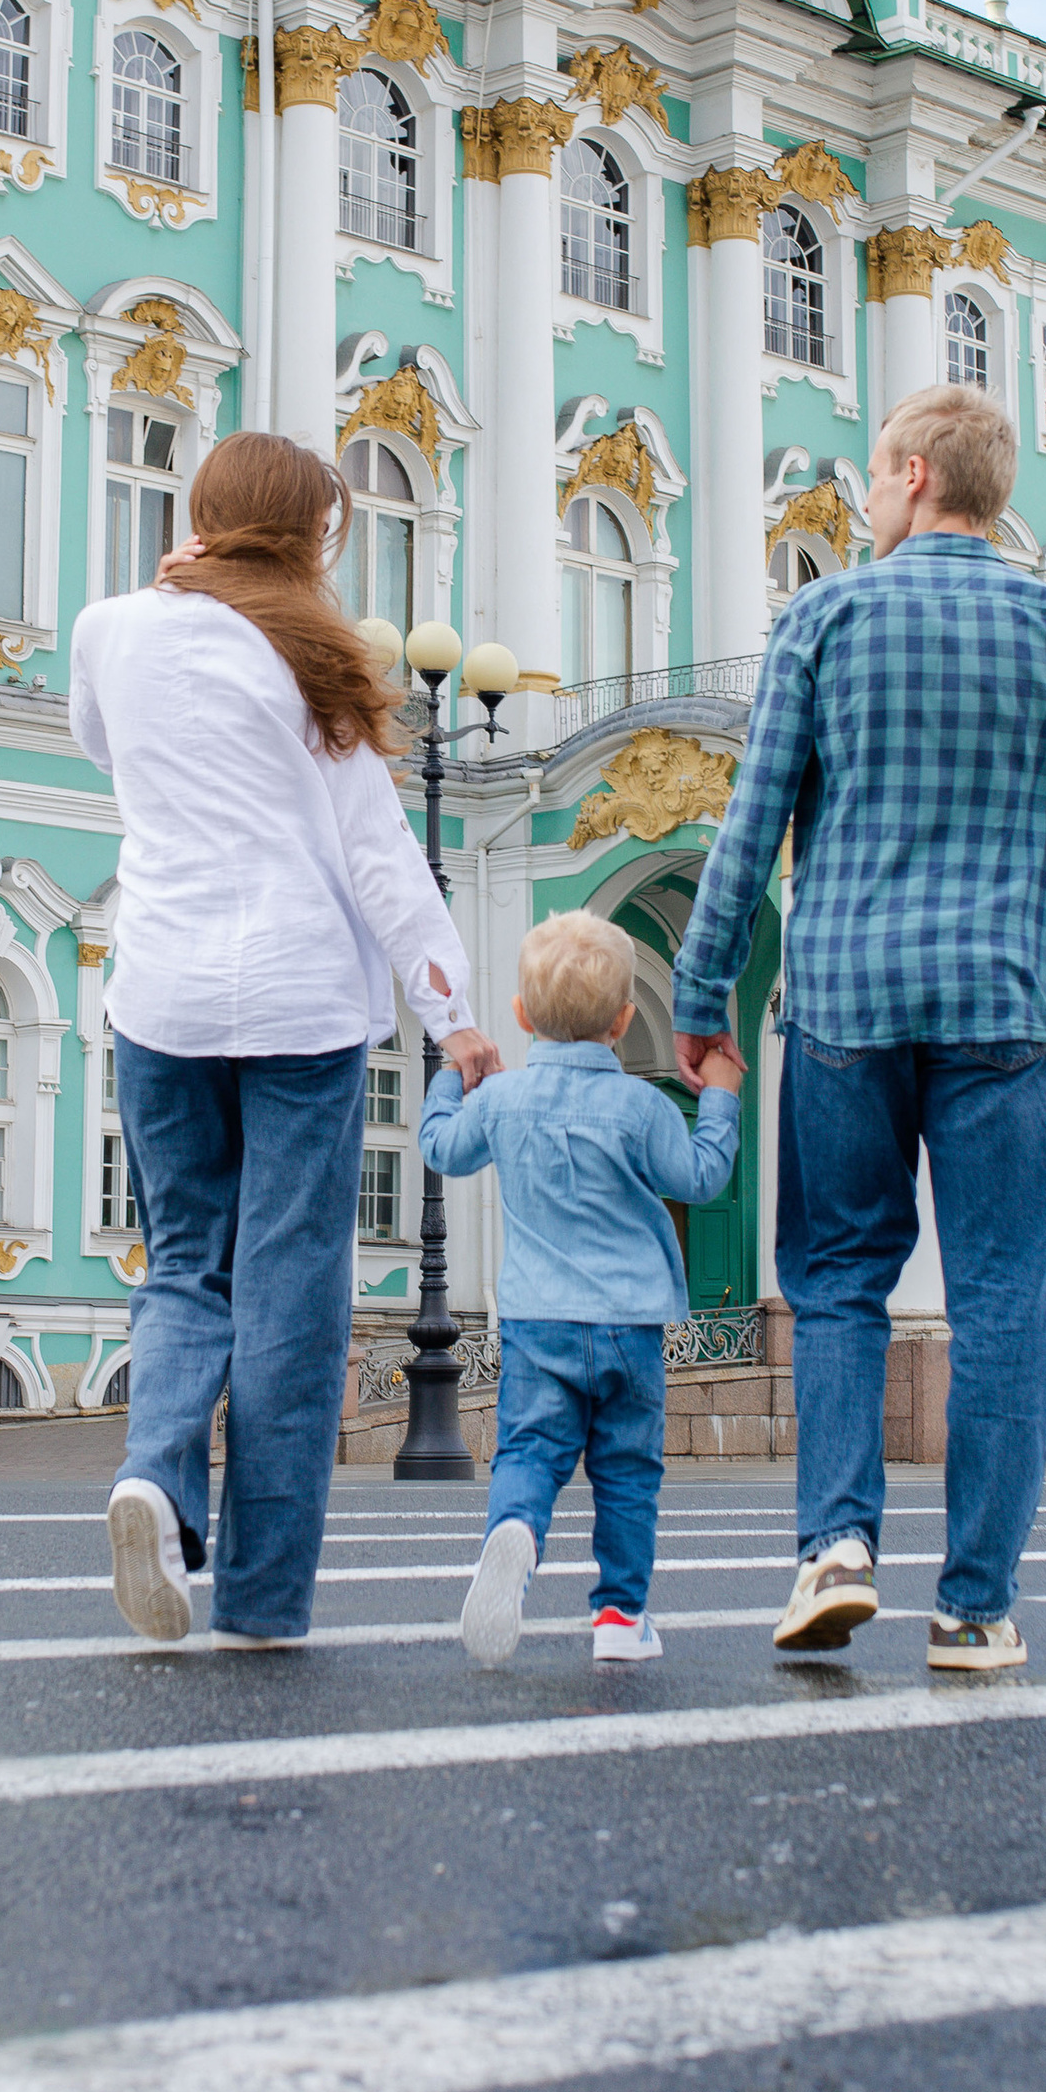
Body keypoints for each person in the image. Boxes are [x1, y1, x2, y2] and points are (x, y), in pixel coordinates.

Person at [669, 381, 1046, 1675]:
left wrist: (700, 993)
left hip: (847, 1001)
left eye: (872, 473)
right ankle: (973, 1604)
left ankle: (837, 1545)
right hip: (1007, 1011)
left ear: (913, 477)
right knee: (1006, 1297)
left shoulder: (828, 615)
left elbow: (750, 827)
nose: (863, 493)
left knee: (841, 1283)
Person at [71, 431, 500, 1649]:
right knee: (290, 1298)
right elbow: (378, 854)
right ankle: (262, 1596)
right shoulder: (319, 658)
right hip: (302, 1005)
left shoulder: (110, 627)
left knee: (185, 1264)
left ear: (199, 515)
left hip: (162, 995)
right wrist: (451, 1009)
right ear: (314, 537)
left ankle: (154, 1471)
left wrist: (163, 593)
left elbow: (105, 748)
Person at [423, 912, 745, 1670]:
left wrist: (450, 1074)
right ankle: (619, 1616)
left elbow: (441, 1145)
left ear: (523, 1017)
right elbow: (701, 1177)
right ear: (626, 1019)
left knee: (530, 1452)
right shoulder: (644, 1109)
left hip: (539, 1322)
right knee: (628, 1473)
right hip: (630, 1324)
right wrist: (723, 1095)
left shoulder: (500, 1104)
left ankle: (518, 1532)